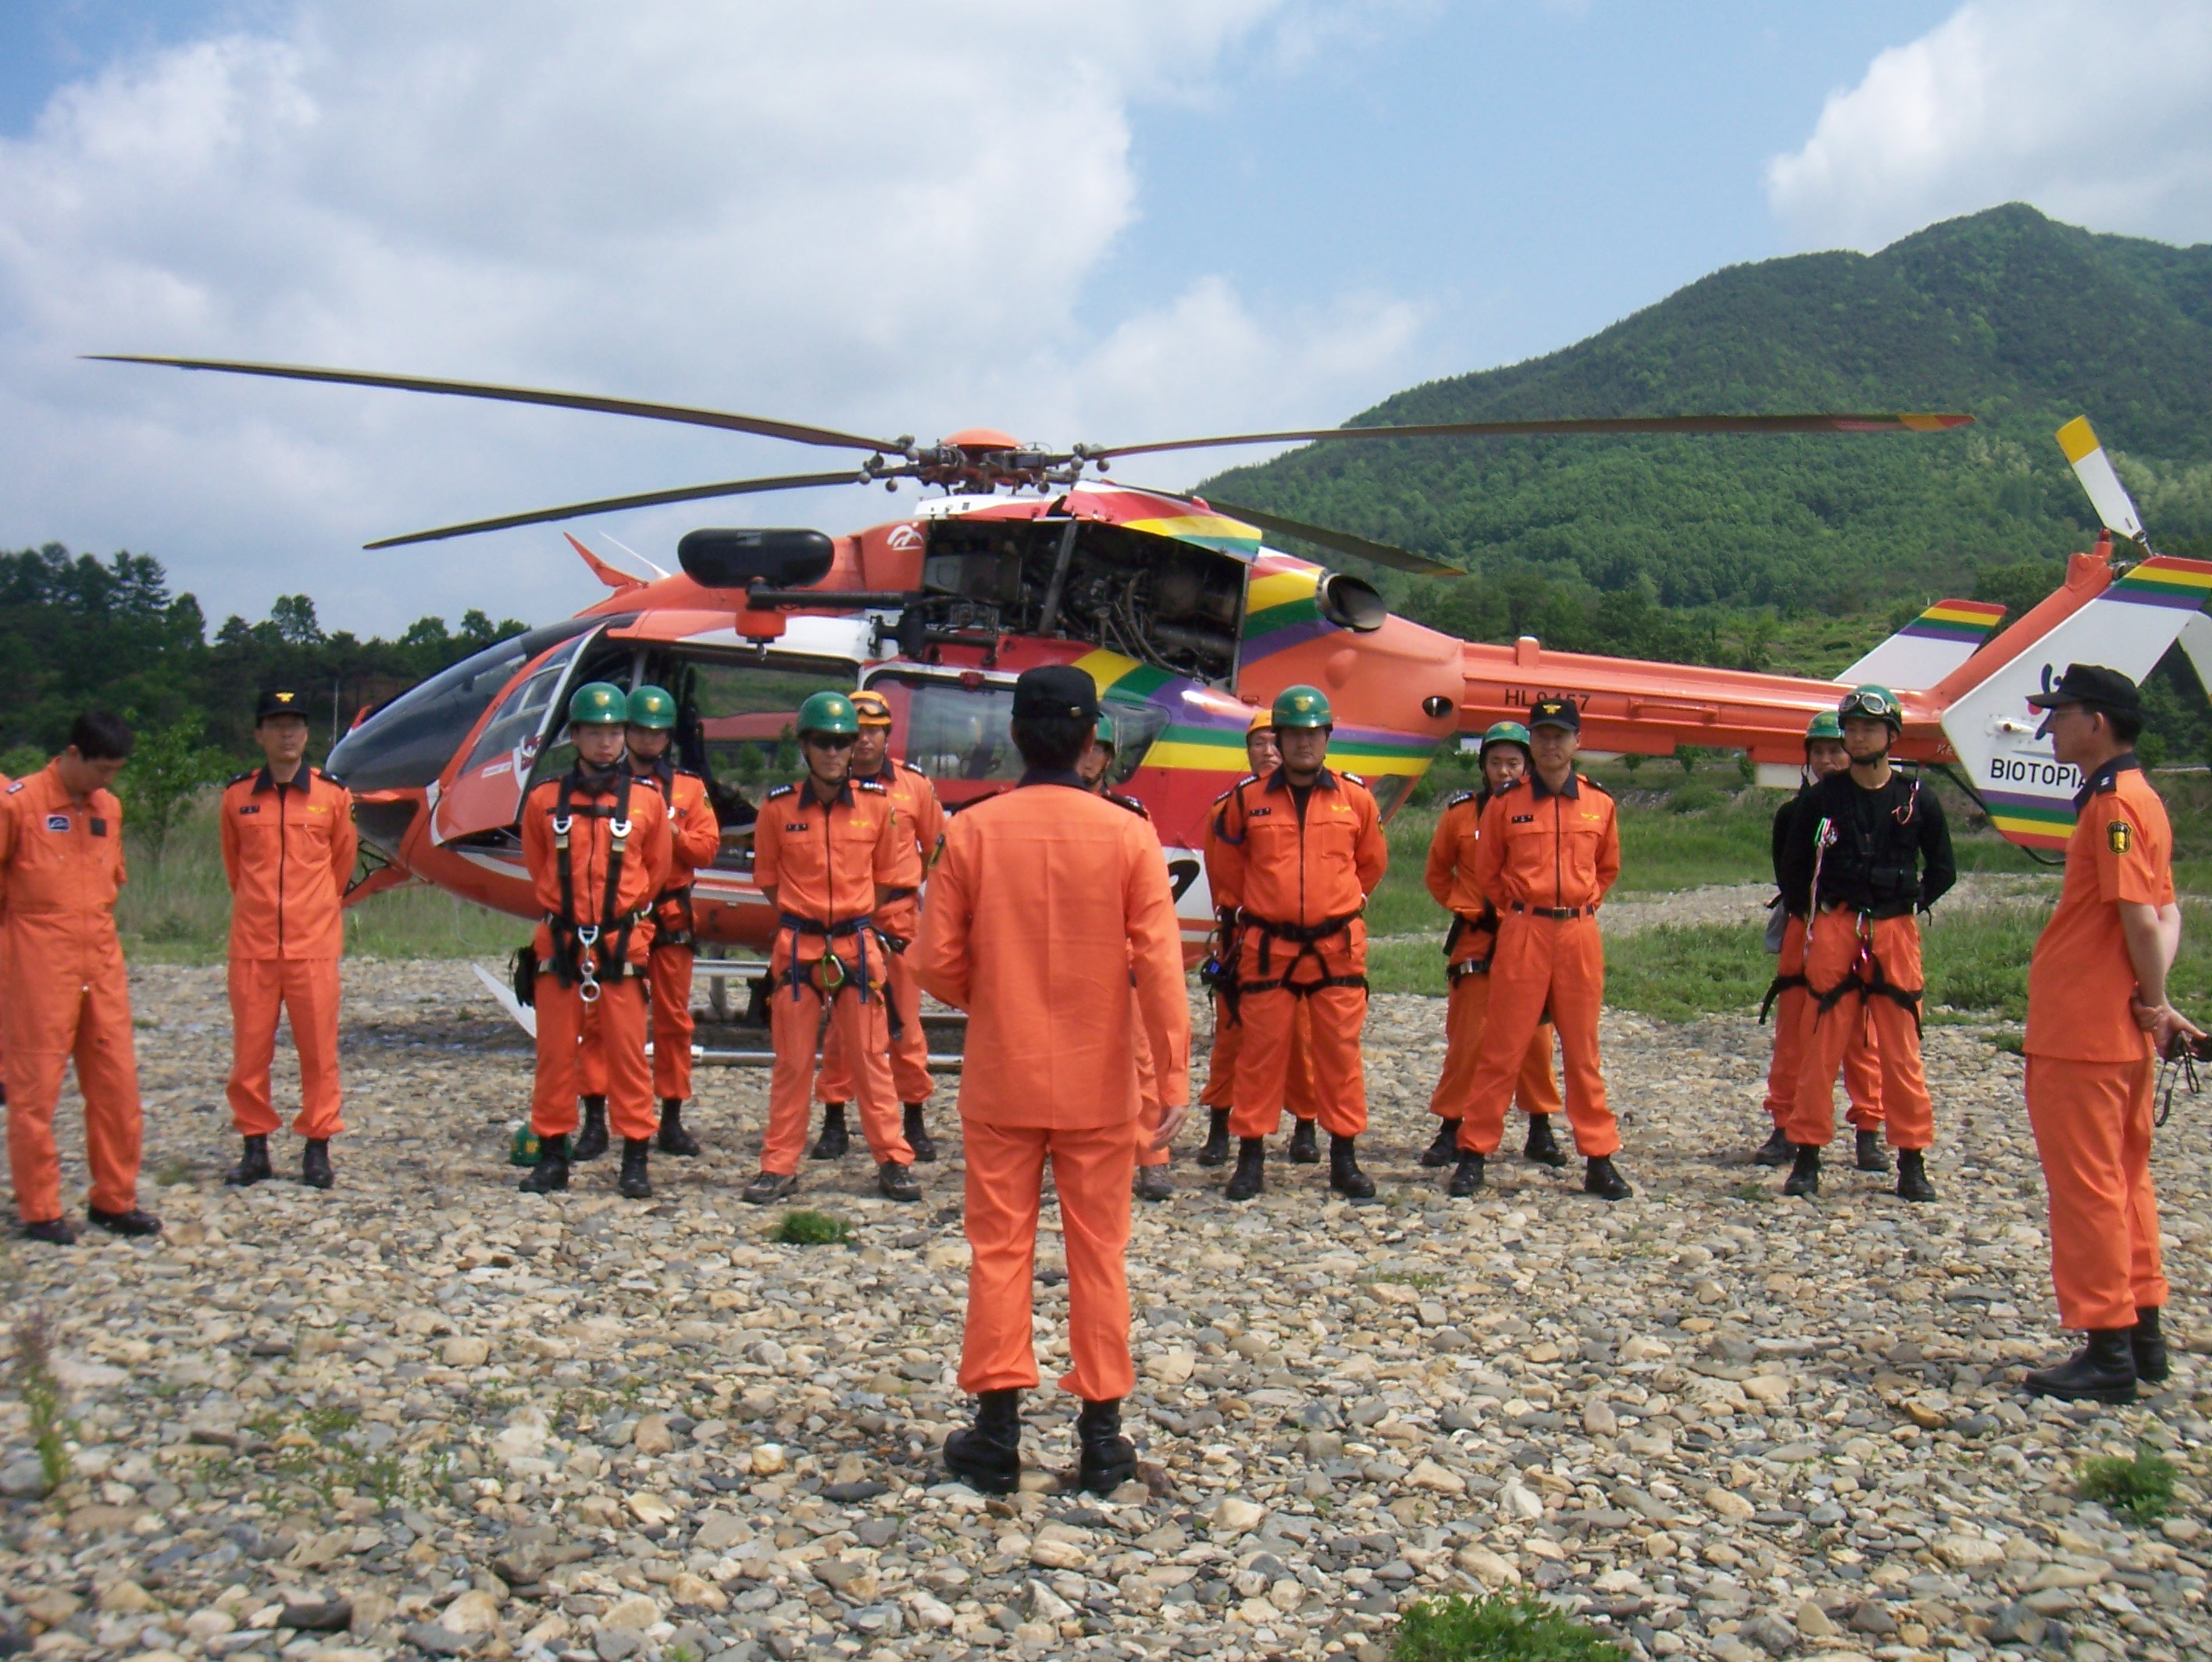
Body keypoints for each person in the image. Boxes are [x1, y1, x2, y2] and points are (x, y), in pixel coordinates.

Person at [916, 665, 1189, 1495]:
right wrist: (1170, 1075)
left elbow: (933, 960)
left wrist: (995, 999)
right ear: (1088, 741)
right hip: (1099, 1079)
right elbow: (1160, 965)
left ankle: (997, 1433)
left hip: (1003, 1075)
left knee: (999, 1248)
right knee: (1098, 1253)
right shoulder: (1128, 834)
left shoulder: (973, 830)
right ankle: (1103, 1438)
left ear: (1016, 737)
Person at [2018, 665, 2194, 1401]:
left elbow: (2140, 917)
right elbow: (2168, 914)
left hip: (2082, 1027)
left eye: (2062, 715)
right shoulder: (2142, 799)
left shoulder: (2113, 806)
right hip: (2112, 1024)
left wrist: (2155, 1003)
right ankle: (2143, 1331)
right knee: (2127, 1179)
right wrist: (2156, 1002)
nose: (2051, 727)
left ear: (2099, 722)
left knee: (2086, 1184)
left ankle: (2107, 1348)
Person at [1449, 697, 1632, 1200]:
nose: (1551, 744)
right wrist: (1521, 912)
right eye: (1543, 734)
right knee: (1502, 1046)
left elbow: (1608, 869)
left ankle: (1599, 1157)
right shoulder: (1507, 804)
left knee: (1582, 1050)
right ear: (1532, 742)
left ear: (1578, 742)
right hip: (1524, 930)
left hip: (1577, 934)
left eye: (1561, 735)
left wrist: (1579, 903)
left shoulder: (1600, 804)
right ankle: (1473, 1154)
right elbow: (1489, 872)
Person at [741, 692, 921, 1205]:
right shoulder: (776, 810)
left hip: (855, 945)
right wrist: (807, 918)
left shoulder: (877, 807)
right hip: (798, 947)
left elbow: (886, 878)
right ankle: (779, 1166)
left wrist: (849, 916)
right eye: (823, 742)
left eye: (842, 743)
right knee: (793, 1063)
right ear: (805, 746)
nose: (835, 752)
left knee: (870, 1057)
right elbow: (769, 882)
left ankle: (894, 1160)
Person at [1210, 685, 1387, 1201]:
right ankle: (1249, 1159)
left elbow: (1370, 864)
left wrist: (1340, 905)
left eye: (1312, 733)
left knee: (1339, 1054)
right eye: (1292, 734)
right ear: (1279, 740)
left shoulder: (1355, 798)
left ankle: (1344, 1159)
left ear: (1327, 737)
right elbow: (1228, 870)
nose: (1303, 743)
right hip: (1270, 948)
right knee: (1259, 1054)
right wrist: (1264, 913)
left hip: (1336, 947)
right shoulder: (1246, 802)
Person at [1778, 684, 1954, 1200]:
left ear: (1891, 736)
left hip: (1895, 931)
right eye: (1851, 729)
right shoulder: (1820, 800)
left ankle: (1912, 1161)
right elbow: (1792, 869)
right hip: (1837, 927)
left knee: (1900, 1053)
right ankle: (1807, 1156)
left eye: (1868, 729)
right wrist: (1815, 912)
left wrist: (1908, 903)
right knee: (1821, 1046)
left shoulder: (1917, 800)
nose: (1857, 738)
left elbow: (1943, 868)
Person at [0, 712, 161, 1242]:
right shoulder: (18, 805)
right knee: (35, 1091)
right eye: (100, 769)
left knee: (116, 1085)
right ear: (71, 754)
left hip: (101, 957)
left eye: (115, 771)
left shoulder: (108, 810)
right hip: (36, 959)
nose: (107, 781)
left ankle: (114, 1199)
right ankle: (40, 1209)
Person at [517, 683, 673, 1200]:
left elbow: (656, 871)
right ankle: (553, 1155)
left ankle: (634, 1158)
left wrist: (619, 922)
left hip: (619, 944)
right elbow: (539, 866)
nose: (606, 743)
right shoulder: (543, 800)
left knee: (628, 1055)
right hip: (561, 947)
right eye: (595, 732)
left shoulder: (648, 801)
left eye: (614, 732)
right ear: (576, 736)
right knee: (556, 1055)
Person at [220, 687, 359, 1190]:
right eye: (276, 724)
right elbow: (236, 868)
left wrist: (312, 913)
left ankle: (316, 1148)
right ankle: (255, 1148)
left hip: (312, 946)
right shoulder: (237, 798)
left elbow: (341, 866)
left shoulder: (332, 796)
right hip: (254, 947)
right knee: (251, 1053)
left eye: (295, 724)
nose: (286, 734)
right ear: (259, 733)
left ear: (307, 733)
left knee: (319, 1052)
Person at [1423, 722, 1567, 1169]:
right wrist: (1467, 907)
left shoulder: (1546, 811)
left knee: (1536, 1039)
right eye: (1495, 761)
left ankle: (1540, 1128)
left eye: (1513, 762)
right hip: (1478, 939)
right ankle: (1451, 1127)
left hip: (1530, 938)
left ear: (1527, 765)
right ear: (1483, 764)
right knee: (1469, 1038)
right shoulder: (1461, 814)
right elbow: (1436, 871)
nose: (1504, 770)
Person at [812, 688, 947, 1164]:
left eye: (874, 730)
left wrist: (910, 895)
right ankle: (834, 1121)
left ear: (887, 733)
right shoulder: (828, 788)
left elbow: (937, 848)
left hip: (899, 924)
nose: (865, 740)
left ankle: (913, 1119)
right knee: (841, 1030)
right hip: (845, 926)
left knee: (906, 1026)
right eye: (857, 731)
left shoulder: (914, 788)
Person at [1754, 711, 1886, 1171]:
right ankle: (1783, 1125)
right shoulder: (1794, 812)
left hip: (1858, 931)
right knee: (1793, 1031)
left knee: (1861, 1034)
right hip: (1804, 925)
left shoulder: (1874, 804)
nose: (1828, 759)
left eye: (1835, 749)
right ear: (1808, 757)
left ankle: (1868, 1128)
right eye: (1820, 751)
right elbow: (1787, 871)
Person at [1196, 709, 1322, 1168]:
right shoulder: (1226, 809)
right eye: (1259, 744)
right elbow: (1221, 878)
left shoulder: (1319, 804)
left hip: (1300, 944)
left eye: (1276, 741)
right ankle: (1220, 1127)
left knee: (1302, 1037)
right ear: (1246, 752)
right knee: (1231, 1036)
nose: (1269, 751)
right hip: (1243, 939)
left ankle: (1305, 1125)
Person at [617, 684, 722, 1159]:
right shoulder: (603, 786)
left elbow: (706, 848)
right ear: (625, 731)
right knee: (609, 1020)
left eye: (657, 732)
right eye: (640, 730)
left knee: (674, 1019)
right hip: (618, 915)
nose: (648, 740)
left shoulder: (688, 788)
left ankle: (673, 1117)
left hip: (671, 911)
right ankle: (602, 1117)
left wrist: (670, 829)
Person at [1079, 713, 1177, 1203]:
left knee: (1141, 1060)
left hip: (1116, 955)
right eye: (1081, 747)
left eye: (1097, 749)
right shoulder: (1033, 811)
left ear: (1109, 759)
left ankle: (1152, 1157)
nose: (1087, 757)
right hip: (1054, 954)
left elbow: (1149, 895)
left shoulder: (1131, 818)